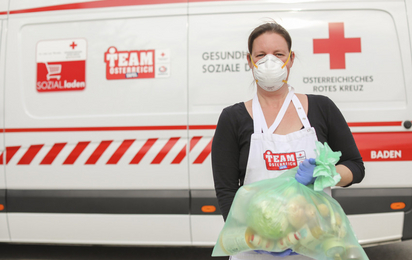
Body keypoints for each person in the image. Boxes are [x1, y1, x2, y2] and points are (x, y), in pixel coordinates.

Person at [211, 21, 365, 260]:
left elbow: (356, 167)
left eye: (278, 54)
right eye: (260, 55)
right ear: (249, 60)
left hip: (317, 245)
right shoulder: (233, 118)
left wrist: (327, 173)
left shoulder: (321, 108)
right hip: (256, 250)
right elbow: (226, 190)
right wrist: (253, 237)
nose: (269, 61)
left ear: (290, 59)